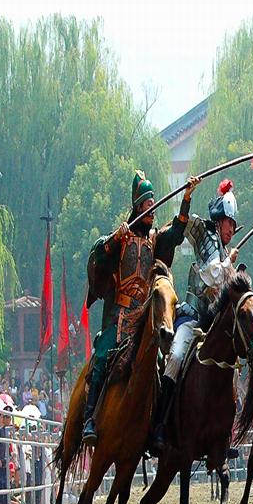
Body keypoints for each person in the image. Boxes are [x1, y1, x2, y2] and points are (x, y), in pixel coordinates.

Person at [82, 170, 198, 447]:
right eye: (148, 204)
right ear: (137, 206)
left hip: (144, 318)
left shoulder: (155, 239)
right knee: (101, 356)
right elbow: (97, 254)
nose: (152, 209)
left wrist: (186, 198)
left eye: (153, 204)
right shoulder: (120, 238)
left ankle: (156, 426)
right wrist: (113, 239)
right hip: (120, 315)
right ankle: (89, 418)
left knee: (160, 367)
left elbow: (178, 232)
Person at [155, 178, 237, 452]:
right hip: (191, 316)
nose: (231, 229)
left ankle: (222, 435)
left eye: (234, 226)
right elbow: (182, 225)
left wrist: (230, 265)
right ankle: (160, 424)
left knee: (231, 365)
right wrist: (187, 196)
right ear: (219, 220)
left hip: (212, 324)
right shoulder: (205, 232)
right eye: (229, 223)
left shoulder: (226, 251)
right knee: (176, 357)